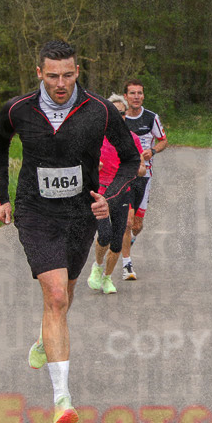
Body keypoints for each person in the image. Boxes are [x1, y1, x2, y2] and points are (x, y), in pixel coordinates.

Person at [0, 41, 140, 423]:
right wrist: (1, 197)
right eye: (52, 75)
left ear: (78, 72)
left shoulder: (100, 111)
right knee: (55, 296)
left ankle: (45, 339)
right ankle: (62, 400)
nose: (60, 82)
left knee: (66, 294)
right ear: (39, 72)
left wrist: (109, 195)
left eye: (68, 75)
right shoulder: (18, 109)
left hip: (79, 213)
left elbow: (130, 159)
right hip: (36, 212)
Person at [87, 94, 146, 294]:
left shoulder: (133, 139)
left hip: (123, 191)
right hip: (101, 192)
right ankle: (96, 266)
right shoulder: (94, 138)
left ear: (125, 115)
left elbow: (142, 169)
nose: (117, 117)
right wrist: (93, 166)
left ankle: (107, 278)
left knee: (118, 238)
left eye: (121, 113)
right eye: (113, 113)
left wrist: (136, 169)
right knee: (104, 235)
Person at [119, 80, 168, 280]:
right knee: (127, 221)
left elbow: (164, 140)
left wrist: (153, 150)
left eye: (140, 93)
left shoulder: (151, 118)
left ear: (143, 96)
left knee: (137, 225)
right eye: (132, 93)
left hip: (145, 176)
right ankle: (126, 265)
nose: (136, 96)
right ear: (126, 96)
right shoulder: (119, 118)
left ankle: (125, 243)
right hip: (124, 176)